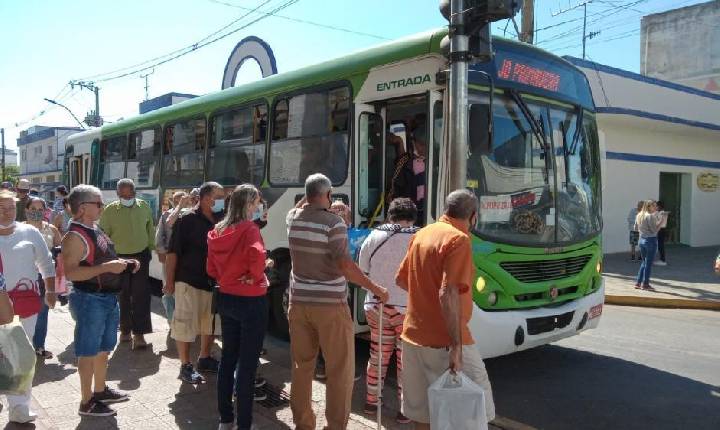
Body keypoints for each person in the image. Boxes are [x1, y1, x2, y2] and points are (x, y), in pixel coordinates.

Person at [286, 173, 389, 430]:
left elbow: (298, 208)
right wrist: (375, 288)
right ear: (328, 195)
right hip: (330, 306)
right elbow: (345, 265)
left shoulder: (293, 220)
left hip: (298, 303)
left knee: (302, 366)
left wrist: (313, 202)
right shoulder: (334, 224)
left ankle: (303, 424)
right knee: (339, 370)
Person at [395, 189, 495, 429]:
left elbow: (402, 279)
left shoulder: (423, 233)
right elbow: (448, 292)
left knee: (423, 416)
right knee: (475, 411)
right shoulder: (458, 240)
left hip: (412, 337)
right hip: (445, 341)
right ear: (473, 216)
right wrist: (457, 347)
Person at [62, 184, 137, 416]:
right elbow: (71, 273)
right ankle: (86, 402)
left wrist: (124, 262)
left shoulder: (93, 228)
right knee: (88, 351)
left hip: (105, 298)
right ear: (83, 208)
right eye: (98, 203)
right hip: (89, 300)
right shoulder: (74, 236)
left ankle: (100, 390)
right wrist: (107, 267)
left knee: (104, 349)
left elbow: (101, 260)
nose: (103, 207)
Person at [207, 184, 271, 430]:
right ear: (247, 203)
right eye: (256, 203)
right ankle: (244, 424)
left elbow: (211, 269)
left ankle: (225, 419)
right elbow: (257, 255)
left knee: (228, 358)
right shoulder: (250, 230)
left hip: (226, 297)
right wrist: (255, 274)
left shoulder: (216, 231)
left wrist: (230, 277)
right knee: (247, 363)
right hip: (251, 300)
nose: (257, 207)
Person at [359, 197, 419, 424]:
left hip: (376, 306)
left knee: (378, 355)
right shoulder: (418, 238)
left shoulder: (373, 236)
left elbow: (363, 270)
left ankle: (371, 402)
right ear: (413, 217)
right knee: (406, 362)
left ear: (390, 215)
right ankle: (404, 410)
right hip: (407, 310)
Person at [0, 189, 56, 423]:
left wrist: (51, 290)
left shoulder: (30, 232)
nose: (7, 212)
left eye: (11, 207)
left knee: (21, 356)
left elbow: (46, 262)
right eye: (2, 208)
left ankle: (20, 408)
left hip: (24, 305)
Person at [165, 182, 225, 384]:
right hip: (188, 280)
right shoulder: (187, 219)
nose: (222, 200)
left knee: (209, 324)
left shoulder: (220, 219)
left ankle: (205, 358)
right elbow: (173, 252)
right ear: (208, 198)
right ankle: (185, 365)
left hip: (212, 281)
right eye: (220, 196)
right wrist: (170, 281)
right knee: (185, 324)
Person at [99, 178, 155, 350]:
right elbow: (103, 236)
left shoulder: (144, 206)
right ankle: (125, 330)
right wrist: (108, 259)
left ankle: (140, 334)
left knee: (141, 295)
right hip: (119, 257)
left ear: (134, 193)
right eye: (123, 195)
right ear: (117, 194)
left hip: (141, 255)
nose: (126, 197)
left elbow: (150, 228)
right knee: (122, 295)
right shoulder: (109, 211)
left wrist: (150, 249)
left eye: (129, 194)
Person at [24, 197, 62, 359]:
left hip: (45, 278)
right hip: (24, 278)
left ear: (45, 211)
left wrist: (61, 285)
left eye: (40, 210)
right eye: (33, 209)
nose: (36, 213)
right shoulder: (19, 229)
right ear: (26, 210)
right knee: (23, 314)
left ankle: (38, 346)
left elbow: (60, 256)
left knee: (42, 313)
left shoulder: (52, 230)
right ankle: (21, 348)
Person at [634, 200, 667, 291]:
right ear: (649, 206)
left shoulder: (639, 215)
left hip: (641, 240)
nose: (656, 208)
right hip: (650, 240)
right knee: (648, 264)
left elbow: (635, 228)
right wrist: (661, 222)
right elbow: (654, 230)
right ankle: (646, 284)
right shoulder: (650, 216)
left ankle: (638, 283)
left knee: (644, 262)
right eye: (654, 206)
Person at [655, 201, 668, 266]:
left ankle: (663, 260)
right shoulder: (660, 213)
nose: (655, 207)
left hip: (661, 229)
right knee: (660, 245)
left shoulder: (662, 213)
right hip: (661, 229)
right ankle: (662, 259)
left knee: (661, 245)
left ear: (659, 206)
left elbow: (659, 222)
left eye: (656, 206)